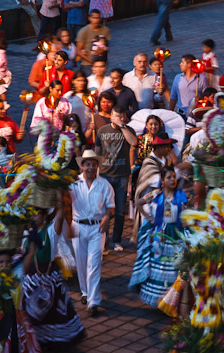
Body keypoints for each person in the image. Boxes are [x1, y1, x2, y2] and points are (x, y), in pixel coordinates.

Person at [22, 193, 85, 348]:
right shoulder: (26, 233)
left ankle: (54, 338)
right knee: (31, 311)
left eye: (39, 213)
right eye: (34, 213)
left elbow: (61, 215)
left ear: (45, 216)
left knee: (54, 311)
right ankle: (35, 339)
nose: (36, 217)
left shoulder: (51, 232)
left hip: (49, 276)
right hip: (31, 277)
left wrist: (58, 193)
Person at [130, 165, 188, 306]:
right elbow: (138, 202)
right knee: (159, 265)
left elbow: (192, 206)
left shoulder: (180, 194)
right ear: (162, 180)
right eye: (169, 177)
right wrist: (149, 218)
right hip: (160, 235)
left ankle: (171, 301)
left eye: (174, 177)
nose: (172, 180)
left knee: (174, 266)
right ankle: (158, 299)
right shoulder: (156, 194)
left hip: (175, 234)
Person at [70, 150, 115, 316]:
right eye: (87, 164)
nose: (90, 167)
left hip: (97, 227)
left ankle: (93, 301)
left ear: (97, 166)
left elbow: (111, 207)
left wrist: (107, 217)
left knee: (94, 264)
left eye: (93, 164)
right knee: (81, 263)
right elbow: (63, 202)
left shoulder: (104, 185)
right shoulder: (73, 184)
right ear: (82, 166)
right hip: (78, 227)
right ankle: (85, 292)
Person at [95, 105, 137, 251]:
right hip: (105, 174)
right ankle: (104, 239)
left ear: (124, 117)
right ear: (110, 116)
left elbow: (133, 142)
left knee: (119, 209)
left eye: (120, 116)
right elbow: (98, 152)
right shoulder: (102, 131)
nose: (118, 118)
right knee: (104, 209)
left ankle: (116, 240)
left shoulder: (128, 130)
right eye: (115, 116)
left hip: (121, 175)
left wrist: (122, 126)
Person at [132, 132, 176, 242]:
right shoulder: (149, 162)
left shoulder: (166, 161)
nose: (169, 150)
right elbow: (156, 182)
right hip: (149, 204)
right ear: (159, 147)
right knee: (148, 238)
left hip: (163, 205)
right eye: (167, 147)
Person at [76, 9, 111, 75]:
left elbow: (107, 46)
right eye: (94, 18)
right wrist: (92, 62)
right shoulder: (83, 31)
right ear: (89, 18)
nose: (96, 20)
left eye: (98, 18)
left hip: (101, 62)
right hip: (88, 64)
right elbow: (78, 51)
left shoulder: (105, 30)